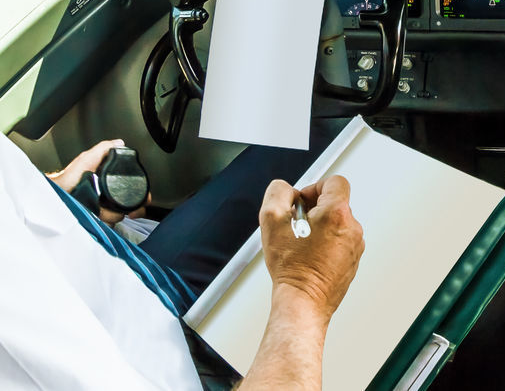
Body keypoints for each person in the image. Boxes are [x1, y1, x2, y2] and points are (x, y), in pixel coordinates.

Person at [1, 130, 363, 389]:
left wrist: (65, 200)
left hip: (134, 285)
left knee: (313, 141)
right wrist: (305, 290)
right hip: (182, 362)